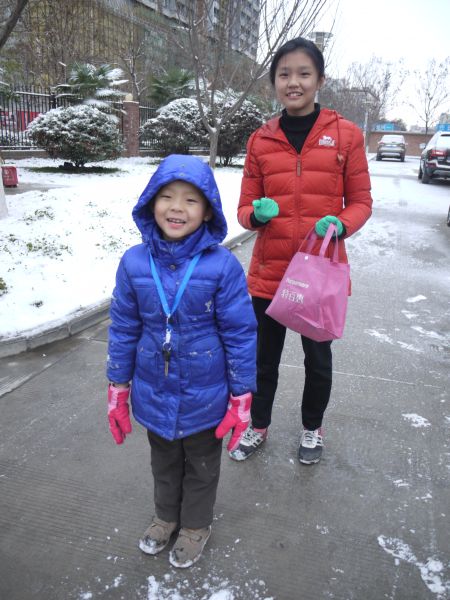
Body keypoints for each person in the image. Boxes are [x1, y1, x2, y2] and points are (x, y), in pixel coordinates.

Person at [106, 154, 257, 568]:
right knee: (164, 462)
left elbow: (240, 332)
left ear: (207, 210)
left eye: (191, 200)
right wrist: (118, 386)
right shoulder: (134, 262)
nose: (177, 207)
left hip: (206, 396)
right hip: (154, 391)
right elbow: (123, 327)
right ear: (150, 203)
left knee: (203, 466)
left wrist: (242, 393)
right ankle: (165, 517)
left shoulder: (221, 265)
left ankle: (195, 525)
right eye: (167, 197)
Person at [232, 36, 372, 465]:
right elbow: (242, 210)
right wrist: (257, 215)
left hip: (318, 274)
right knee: (262, 362)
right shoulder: (260, 140)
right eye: (284, 74)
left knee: (318, 360)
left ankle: (312, 428)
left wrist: (341, 224)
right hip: (269, 273)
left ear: (319, 80)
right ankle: (258, 427)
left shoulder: (345, 136)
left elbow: (362, 202)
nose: (293, 82)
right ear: (274, 81)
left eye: (303, 74)